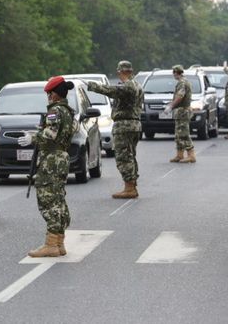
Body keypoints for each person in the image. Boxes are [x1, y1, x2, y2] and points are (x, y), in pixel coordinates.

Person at [18, 76, 77, 257]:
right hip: (62, 157)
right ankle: (58, 242)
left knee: (48, 199)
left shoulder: (55, 112)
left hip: (51, 159)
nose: (48, 97)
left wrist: (32, 137)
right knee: (58, 199)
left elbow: (50, 134)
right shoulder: (68, 111)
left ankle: (51, 245)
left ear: (54, 94)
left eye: (49, 94)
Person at [86, 61, 143, 199]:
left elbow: (111, 91)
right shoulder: (137, 85)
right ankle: (132, 185)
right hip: (134, 125)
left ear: (120, 71)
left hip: (124, 125)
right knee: (130, 156)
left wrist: (93, 86)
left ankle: (129, 187)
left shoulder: (128, 86)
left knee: (123, 157)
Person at [165, 65, 196, 163]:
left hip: (183, 111)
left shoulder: (182, 83)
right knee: (178, 134)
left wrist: (171, 106)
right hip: (181, 111)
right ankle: (179, 155)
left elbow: (180, 96)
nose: (173, 74)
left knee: (184, 133)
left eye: (174, 72)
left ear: (176, 72)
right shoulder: (184, 81)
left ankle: (191, 155)